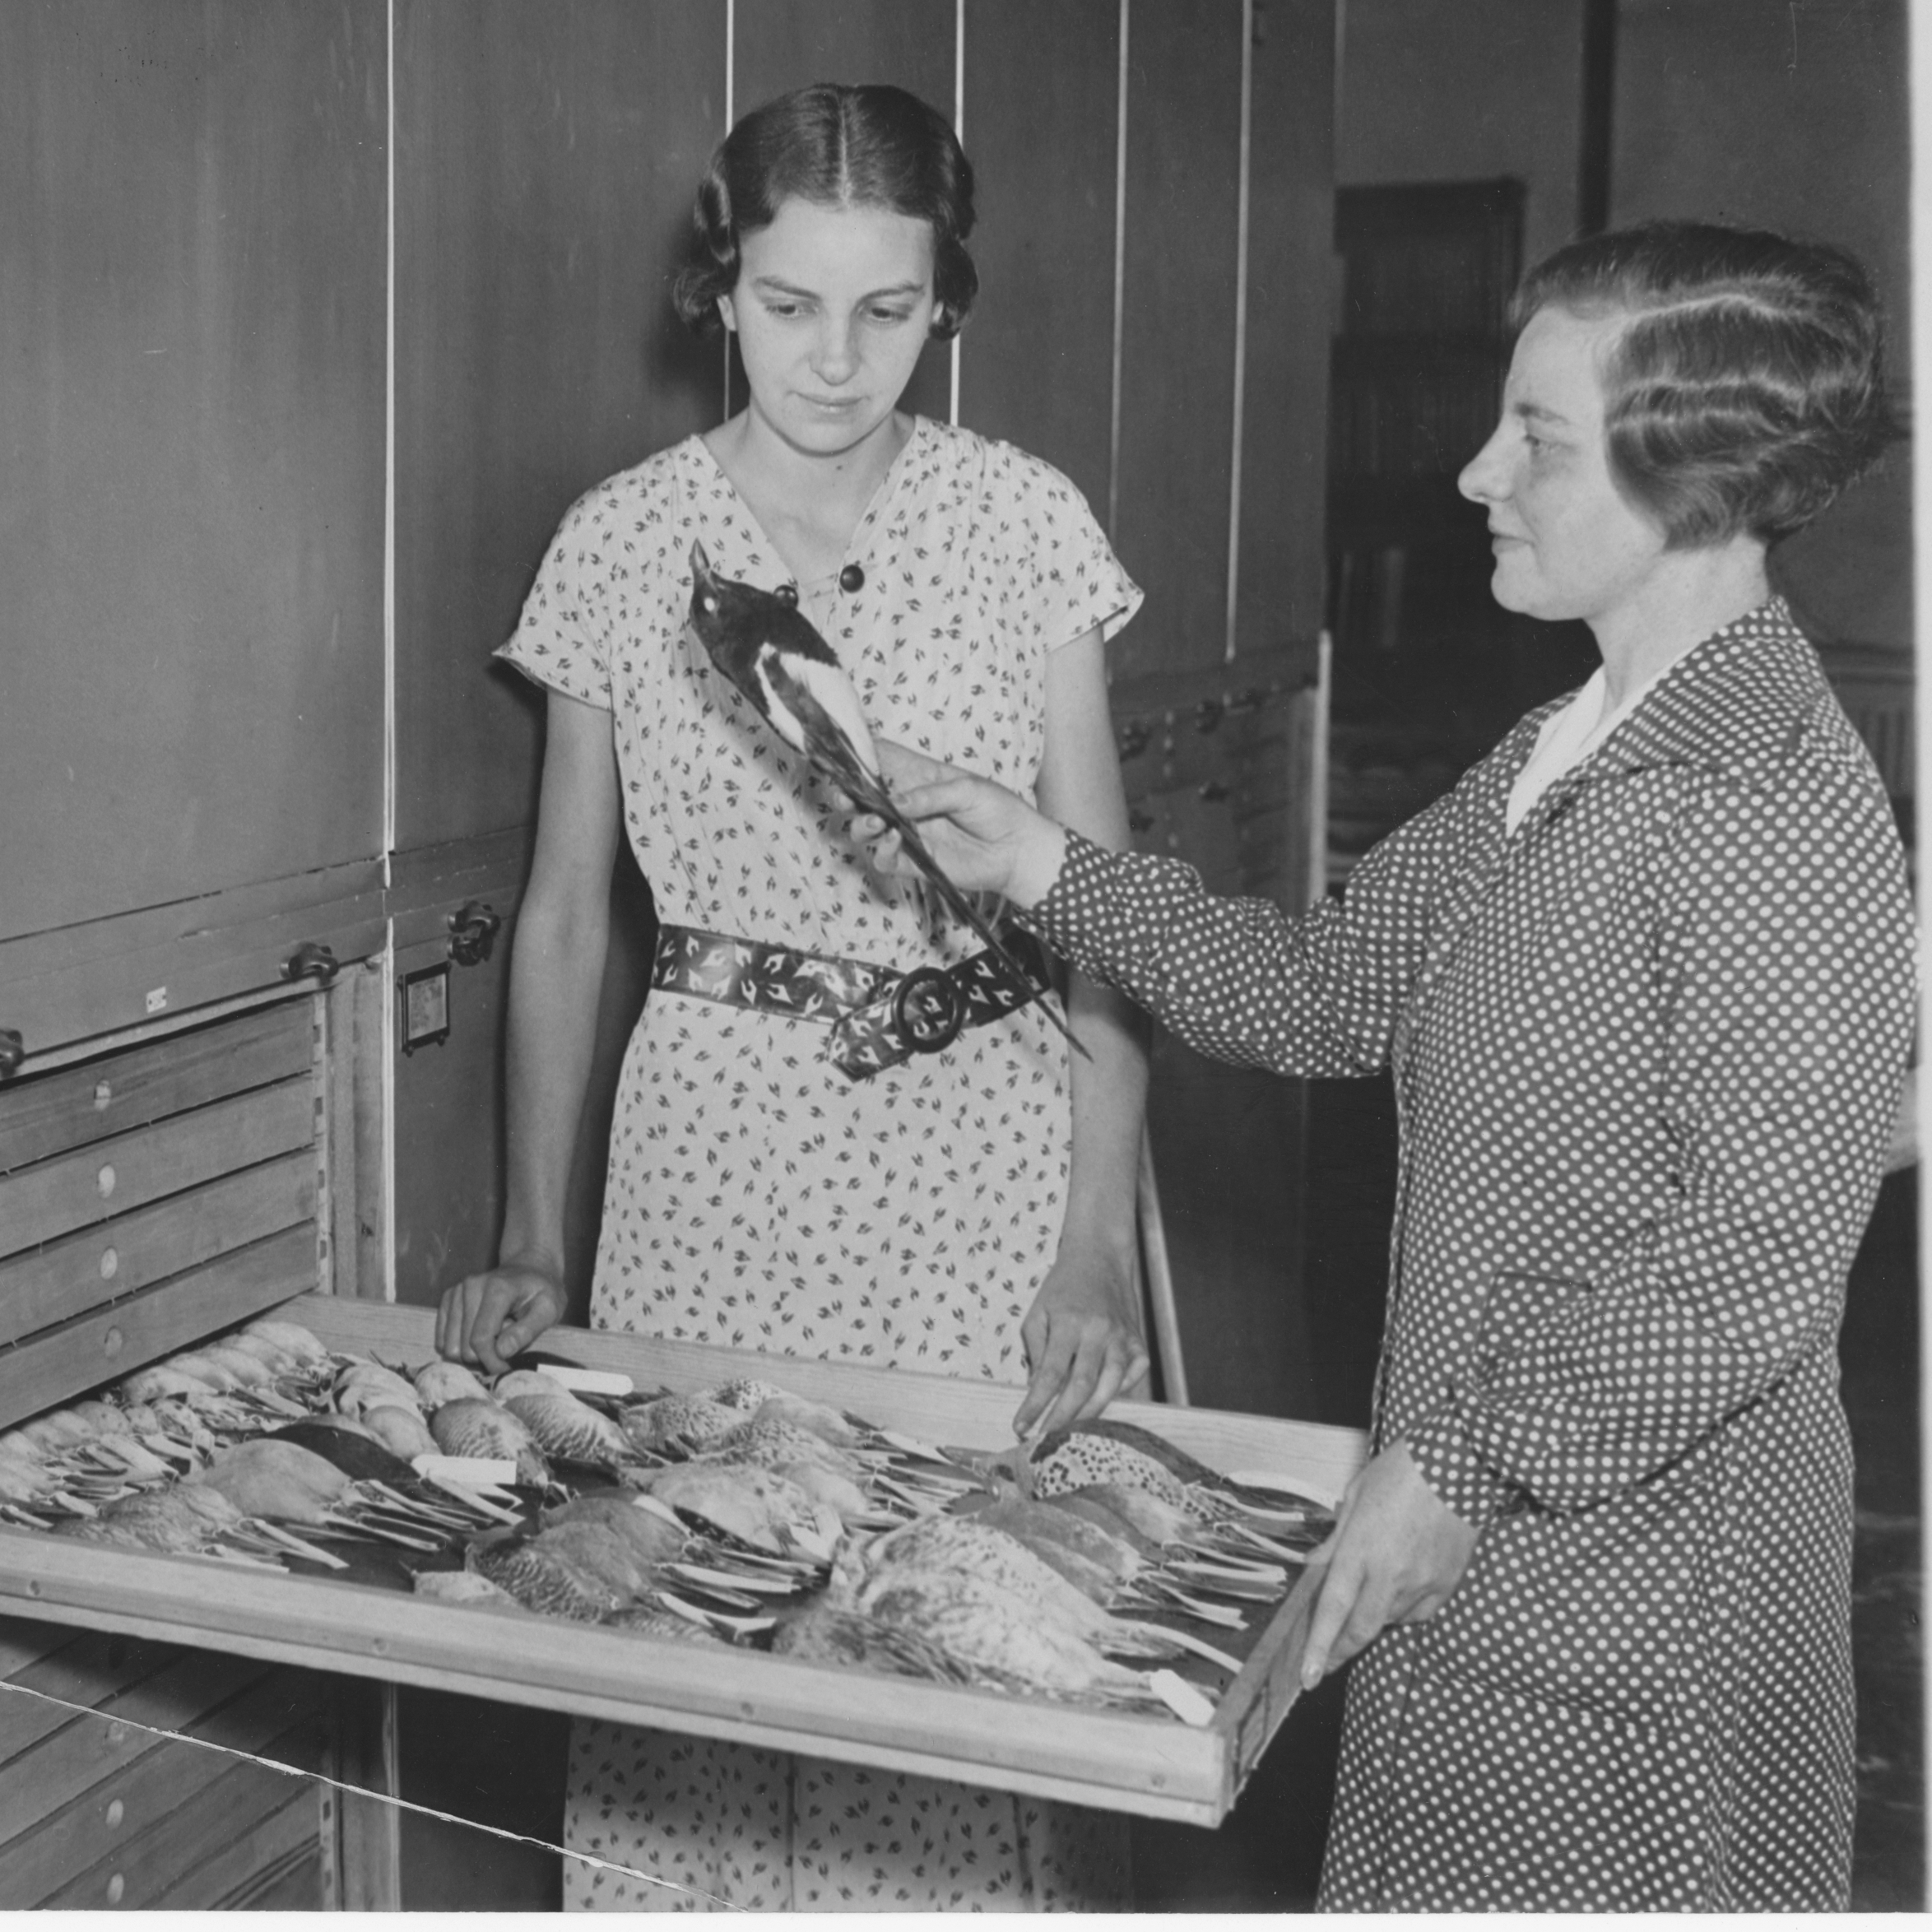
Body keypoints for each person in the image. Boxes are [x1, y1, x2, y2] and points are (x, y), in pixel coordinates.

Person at [866, 221, 1916, 1911]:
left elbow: (1752, 1268)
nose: (1473, 467)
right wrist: (1042, 868)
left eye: (1538, 440)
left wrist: (1465, 1458)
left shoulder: (1768, 806)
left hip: (1643, 1595)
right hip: (1470, 1525)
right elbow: (1323, 988)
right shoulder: (1559, 747)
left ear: (1697, 479)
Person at [436, 83, 1148, 1911]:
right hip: (714, 1155)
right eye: (788, 302)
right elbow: (570, 914)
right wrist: (533, 1226)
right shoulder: (622, 539)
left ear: (946, 302)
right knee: (696, 1637)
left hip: (978, 1158)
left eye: (887, 310)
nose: (836, 358)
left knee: (943, 1640)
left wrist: (1090, 1247)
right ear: (718, 284)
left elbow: (1102, 915)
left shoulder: (1023, 521)